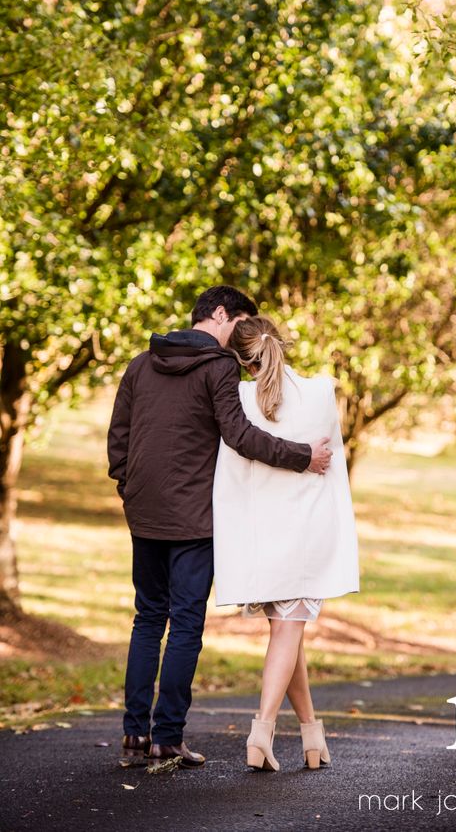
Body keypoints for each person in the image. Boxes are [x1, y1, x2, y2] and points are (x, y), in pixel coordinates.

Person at [107, 285, 333, 771]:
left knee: (147, 619)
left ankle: (132, 737)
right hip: (193, 519)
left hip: (144, 513)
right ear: (218, 313)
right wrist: (303, 456)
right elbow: (240, 436)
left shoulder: (140, 364)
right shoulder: (217, 369)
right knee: (185, 623)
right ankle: (166, 739)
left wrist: (129, 489)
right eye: (240, 322)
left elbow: (118, 440)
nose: (241, 337)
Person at [212, 315, 360, 772]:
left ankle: (312, 736)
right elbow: (333, 467)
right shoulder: (319, 392)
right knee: (288, 634)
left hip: (260, 539)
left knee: (286, 635)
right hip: (304, 534)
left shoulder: (237, 399)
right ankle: (262, 732)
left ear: (239, 359)